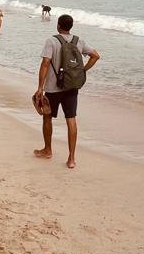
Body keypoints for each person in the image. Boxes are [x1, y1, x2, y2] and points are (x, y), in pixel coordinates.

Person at [32, 14, 98, 169]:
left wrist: (40, 87)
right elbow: (95, 56)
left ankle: (48, 150)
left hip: (53, 88)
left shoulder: (52, 41)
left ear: (58, 25)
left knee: (47, 117)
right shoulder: (78, 41)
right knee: (71, 119)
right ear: (71, 26)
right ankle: (71, 159)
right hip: (71, 87)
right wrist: (82, 70)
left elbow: (45, 64)